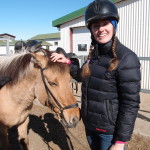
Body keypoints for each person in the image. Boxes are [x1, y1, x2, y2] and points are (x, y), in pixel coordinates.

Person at [50, 0, 141, 150]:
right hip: (90, 126)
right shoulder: (94, 55)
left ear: (114, 25)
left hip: (109, 133)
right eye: (96, 25)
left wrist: (120, 142)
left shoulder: (126, 58)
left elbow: (130, 104)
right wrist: (67, 62)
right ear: (91, 29)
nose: (100, 29)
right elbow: (82, 76)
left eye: (105, 23)